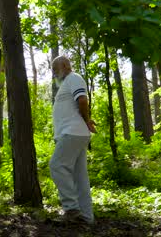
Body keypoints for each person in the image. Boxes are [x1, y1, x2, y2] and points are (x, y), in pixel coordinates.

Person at [50, 55, 96, 225]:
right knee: (79, 177)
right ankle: (87, 218)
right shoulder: (66, 83)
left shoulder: (74, 78)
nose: (54, 74)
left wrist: (86, 120)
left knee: (56, 165)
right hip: (73, 133)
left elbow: (82, 100)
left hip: (73, 132)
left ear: (64, 66)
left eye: (55, 69)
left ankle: (71, 208)